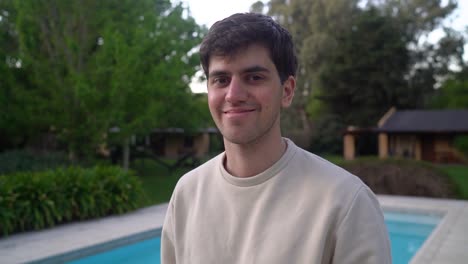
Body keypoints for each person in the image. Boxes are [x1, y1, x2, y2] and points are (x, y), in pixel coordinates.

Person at [161, 13, 391, 264]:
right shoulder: (187, 193)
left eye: (254, 77)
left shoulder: (346, 203)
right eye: (221, 80)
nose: (233, 94)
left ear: (287, 91)